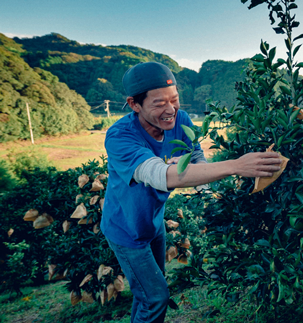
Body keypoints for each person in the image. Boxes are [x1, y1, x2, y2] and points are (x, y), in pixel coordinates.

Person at [100, 61, 281, 323]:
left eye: (174, 100)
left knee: (147, 294)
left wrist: (200, 178)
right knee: (156, 297)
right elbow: (157, 174)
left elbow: (195, 153)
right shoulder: (120, 136)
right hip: (125, 228)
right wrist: (236, 166)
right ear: (134, 104)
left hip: (153, 222)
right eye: (159, 103)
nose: (170, 109)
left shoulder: (180, 120)